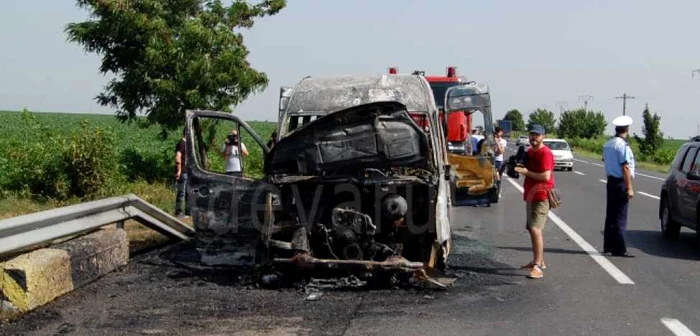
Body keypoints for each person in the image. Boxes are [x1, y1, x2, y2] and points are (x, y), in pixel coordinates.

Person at [514, 124, 555, 279]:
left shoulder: (546, 153)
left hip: (542, 195)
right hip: (531, 195)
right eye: (532, 135)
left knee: (536, 229)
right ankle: (538, 260)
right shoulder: (530, 152)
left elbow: (545, 176)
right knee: (532, 229)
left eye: (537, 135)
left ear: (543, 136)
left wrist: (526, 172)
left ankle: (538, 267)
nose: (534, 138)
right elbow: (526, 171)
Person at [602, 116, 636, 257]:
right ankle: (619, 248)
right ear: (627, 129)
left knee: (611, 214)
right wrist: (629, 187)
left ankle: (608, 245)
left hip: (611, 181)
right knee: (620, 216)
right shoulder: (622, 145)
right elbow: (625, 167)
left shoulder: (608, 143)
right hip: (620, 182)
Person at [174, 129, 190, 218]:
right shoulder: (181, 143)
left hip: (187, 172)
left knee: (187, 192)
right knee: (181, 193)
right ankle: (179, 212)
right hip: (182, 172)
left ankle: (188, 212)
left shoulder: (187, 144)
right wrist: (179, 170)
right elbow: (178, 157)